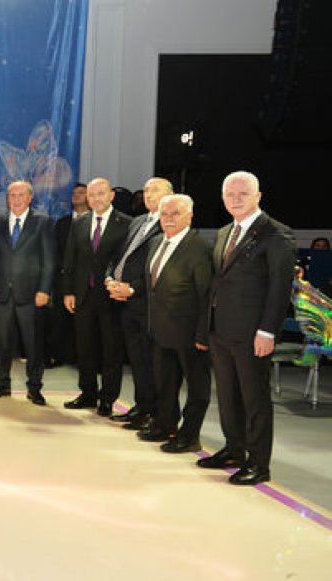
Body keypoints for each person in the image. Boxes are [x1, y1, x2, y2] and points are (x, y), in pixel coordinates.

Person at [200, 171, 295, 485]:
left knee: (255, 400)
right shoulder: (225, 231)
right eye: (230, 194)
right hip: (221, 331)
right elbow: (217, 283)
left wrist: (268, 331)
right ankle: (234, 449)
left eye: (243, 193)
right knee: (227, 397)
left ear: (258, 196)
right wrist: (207, 327)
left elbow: (280, 288)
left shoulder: (276, 234)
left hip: (253, 334)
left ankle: (258, 463)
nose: (236, 199)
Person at [137, 194, 213, 453]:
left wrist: (202, 334)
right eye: (164, 214)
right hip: (160, 329)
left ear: (189, 216)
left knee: (197, 387)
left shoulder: (200, 247)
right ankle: (165, 424)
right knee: (165, 381)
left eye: (175, 213)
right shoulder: (155, 242)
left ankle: (189, 436)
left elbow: (205, 294)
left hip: (190, 333)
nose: (168, 218)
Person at [62, 178, 131, 416]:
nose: (96, 198)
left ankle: (107, 398)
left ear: (111, 195)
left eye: (101, 193)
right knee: (85, 348)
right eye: (91, 194)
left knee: (111, 350)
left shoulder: (127, 224)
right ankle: (88, 393)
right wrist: (68, 291)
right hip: (83, 295)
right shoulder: (79, 223)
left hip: (111, 297)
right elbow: (70, 260)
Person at [104, 177, 167, 429]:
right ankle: (142, 407)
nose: (148, 194)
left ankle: (155, 412)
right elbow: (119, 256)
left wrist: (132, 288)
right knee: (137, 360)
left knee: (152, 362)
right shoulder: (138, 221)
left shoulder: (169, 224)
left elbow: (158, 269)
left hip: (147, 303)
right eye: (147, 190)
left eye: (155, 190)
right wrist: (110, 279)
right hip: (125, 303)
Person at [0, 180, 55, 405]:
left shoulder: (42, 222)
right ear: (7, 198)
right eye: (12, 195)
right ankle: (2, 384)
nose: (16, 199)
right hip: (2, 294)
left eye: (21, 195)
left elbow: (49, 261)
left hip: (32, 294)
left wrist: (44, 289)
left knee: (33, 344)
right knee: (2, 343)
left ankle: (34, 387)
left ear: (30, 197)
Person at [48, 183, 88, 367]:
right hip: (63, 278)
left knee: (84, 321)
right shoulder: (62, 223)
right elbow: (54, 250)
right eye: (74, 193)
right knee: (59, 318)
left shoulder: (95, 222)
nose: (76, 195)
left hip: (87, 280)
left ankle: (82, 358)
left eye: (81, 192)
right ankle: (59, 355)